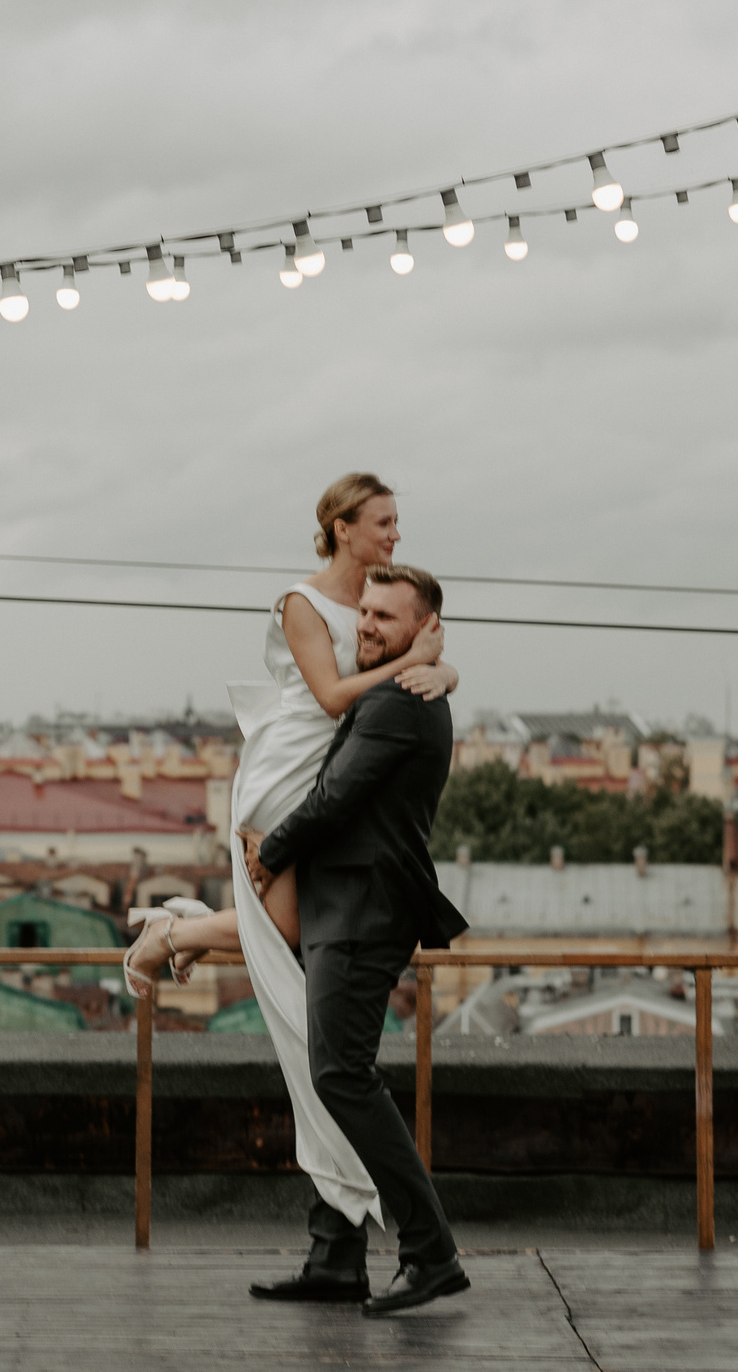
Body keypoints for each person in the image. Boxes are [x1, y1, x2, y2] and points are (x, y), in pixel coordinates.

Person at [122, 474, 455, 1290]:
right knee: (300, 1001)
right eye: (383, 522)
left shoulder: (389, 615)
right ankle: (349, 1248)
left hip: (330, 793)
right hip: (293, 774)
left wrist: (440, 673)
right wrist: (418, 660)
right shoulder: (311, 606)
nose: (394, 535)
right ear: (343, 528)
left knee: (311, 1037)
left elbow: (399, 699)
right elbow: (336, 695)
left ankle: (183, 930)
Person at [250, 562, 471, 1317]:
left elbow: (334, 797)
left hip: (360, 909)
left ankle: (430, 1250)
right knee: (332, 1076)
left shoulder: (399, 701)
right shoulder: (406, 687)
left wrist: (270, 850)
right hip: (352, 905)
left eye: (387, 617)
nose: (369, 625)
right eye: (366, 613)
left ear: (421, 628)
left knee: (341, 1075)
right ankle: (337, 1253)